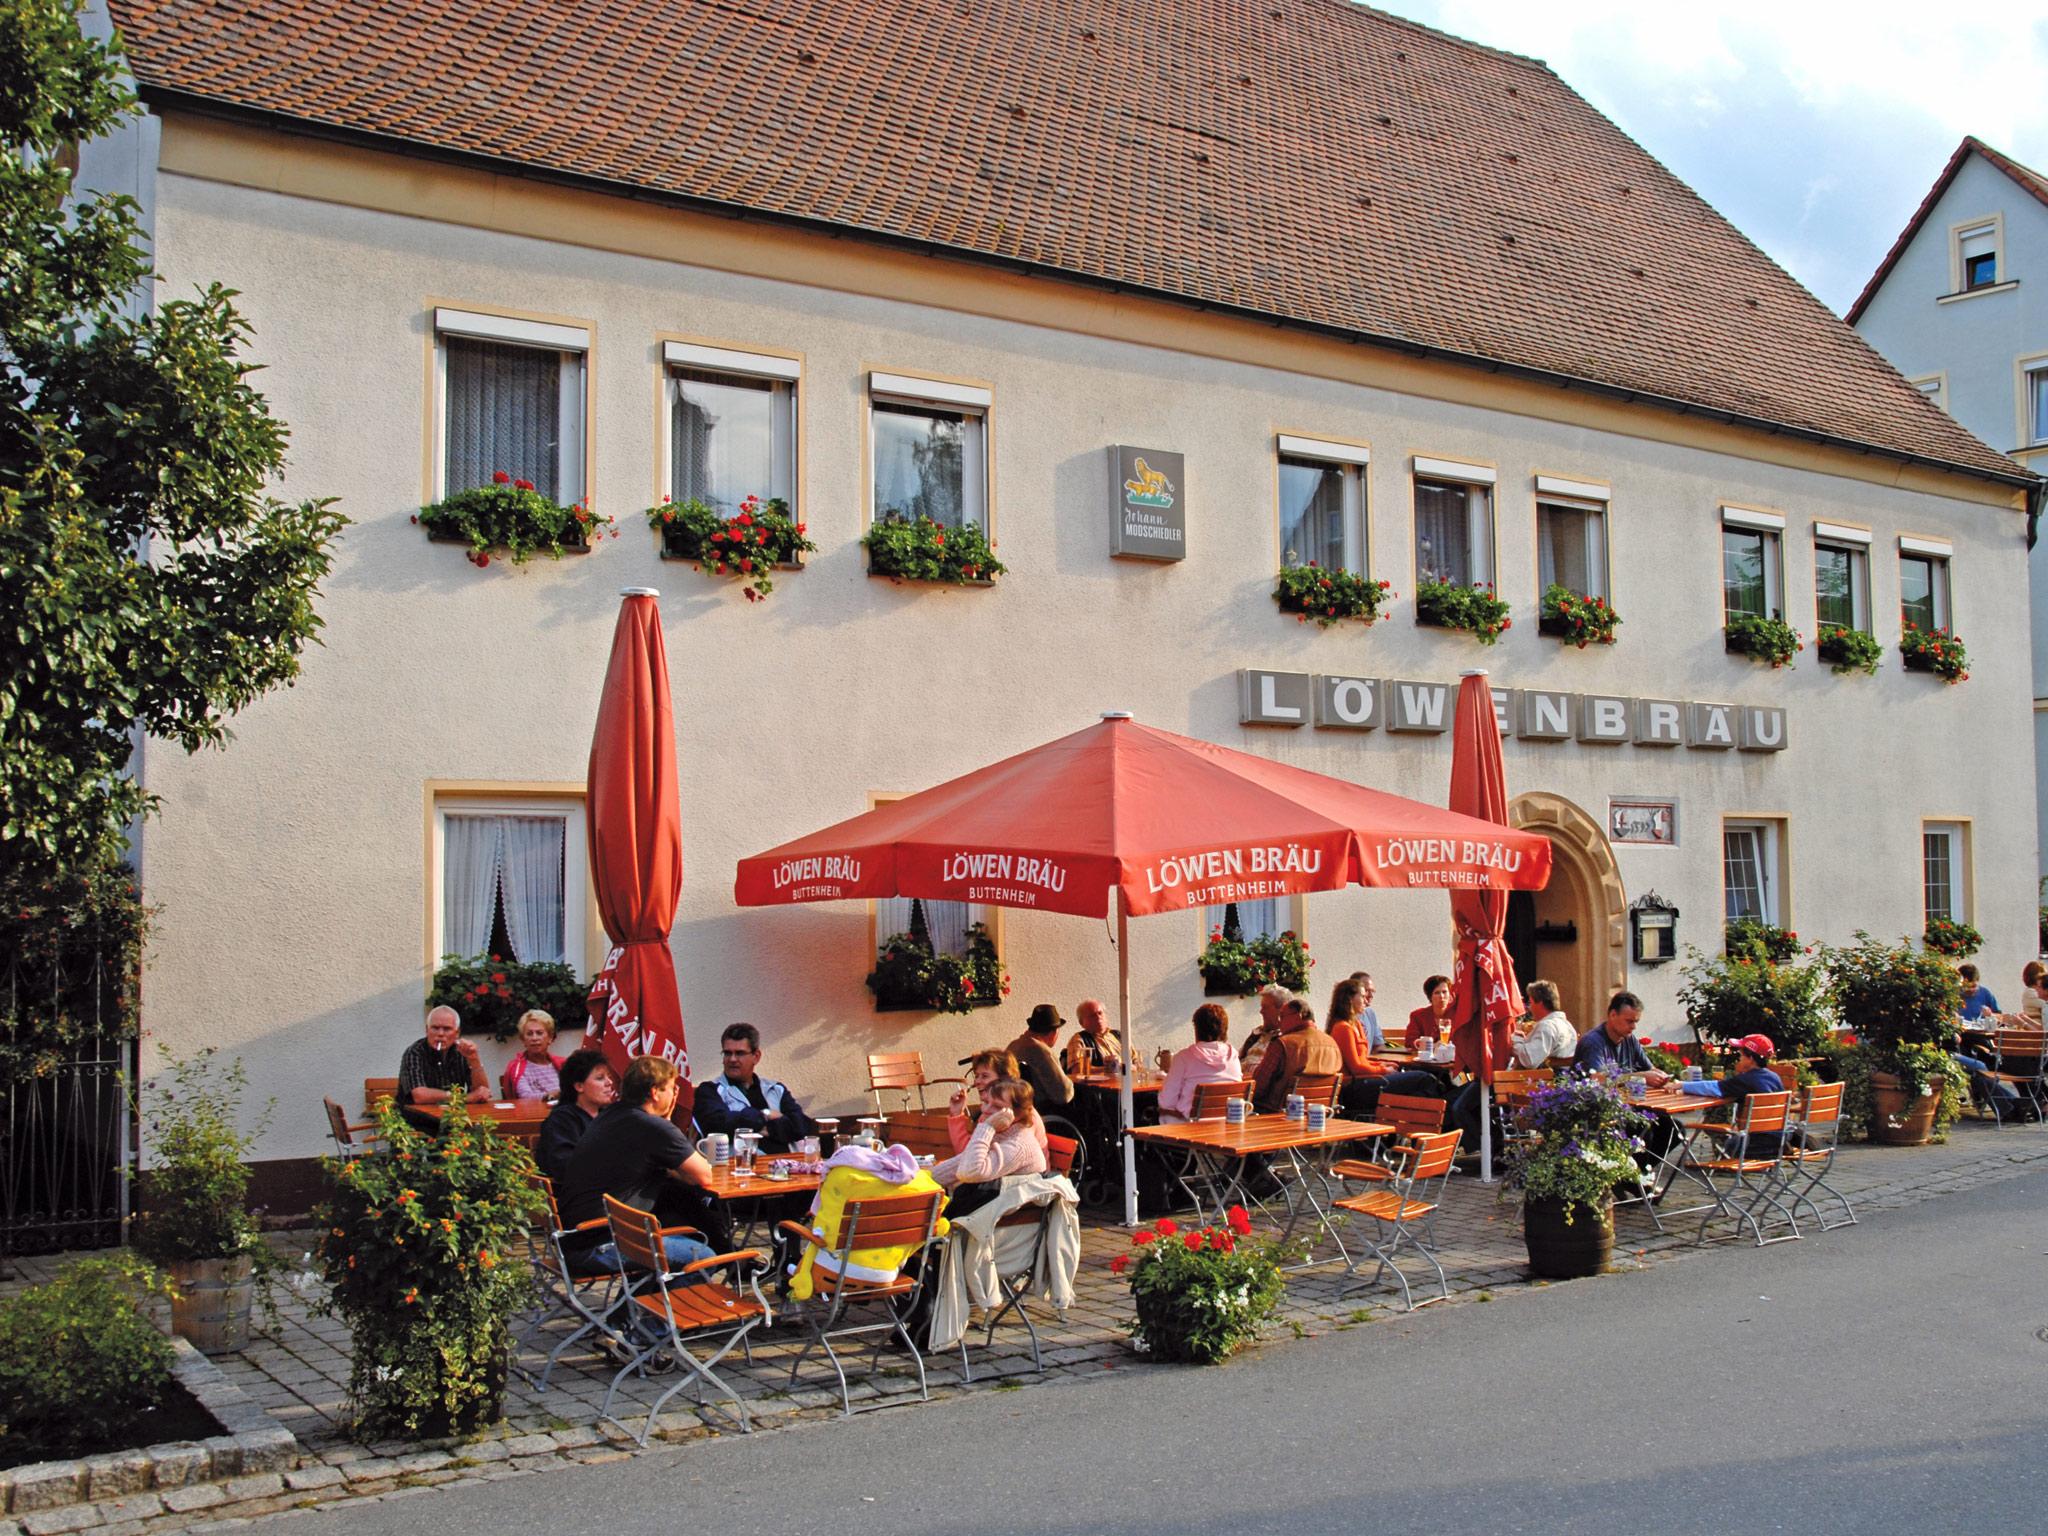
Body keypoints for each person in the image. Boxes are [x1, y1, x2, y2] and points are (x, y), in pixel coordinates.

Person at [556, 1056, 719, 1272]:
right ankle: (727, 1263)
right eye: (672, 1088)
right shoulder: (652, 1126)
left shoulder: (611, 1115)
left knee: (677, 1204)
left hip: (573, 1239)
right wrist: (666, 1122)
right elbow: (704, 1176)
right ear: (655, 1092)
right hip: (600, 1244)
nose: (674, 1095)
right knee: (704, 1258)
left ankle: (637, 1298)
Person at [691, 1022, 817, 1153]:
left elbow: (801, 1127)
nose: (732, 1059)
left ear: (756, 1057)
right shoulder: (709, 1090)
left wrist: (761, 1127)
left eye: (739, 1053)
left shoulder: (776, 1089)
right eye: (727, 1053)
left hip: (787, 1162)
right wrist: (765, 1115)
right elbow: (717, 1125)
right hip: (740, 1164)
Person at [931, 1076, 1048, 1217]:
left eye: (997, 1107)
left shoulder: (1019, 1145)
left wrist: (987, 1127)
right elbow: (961, 1162)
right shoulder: (1001, 1132)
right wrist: (923, 1179)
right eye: (985, 1102)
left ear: (1017, 1115)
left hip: (1014, 1221)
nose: (986, 1109)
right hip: (989, 1212)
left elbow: (968, 1172)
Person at [1330, 977, 1442, 1118]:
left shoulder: (1356, 1025)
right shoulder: (1343, 1028)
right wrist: (1383, 1070)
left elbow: (1363, 1060)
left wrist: (1382, 1064)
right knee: (1424, 1079)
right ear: (1350, 999)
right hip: (1355, 1087)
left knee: (1422, 1085)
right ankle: (1420, 1121)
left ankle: (1406, 1121)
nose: (1366, 1001)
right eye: (1362, 997)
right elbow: (1355, 1067)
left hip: (1366, 1080)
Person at [1673, 1032, 1788, 1160]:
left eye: (1741, 1055)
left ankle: (1724, 1159)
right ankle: (1726, 1158)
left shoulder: (1746, 1080)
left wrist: (1682, 1085)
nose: (1739, 1058)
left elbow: (1714, 1088)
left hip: (1750, 1145)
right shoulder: (1774, 1077)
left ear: (1750, 1058)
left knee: (1713, 1122)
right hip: (1778, 1141)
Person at [395, 1005, 490, 1131]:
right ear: (427, 1030)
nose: (440, 1034)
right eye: (435, 1028)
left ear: (457, 1033)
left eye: (447, 1029)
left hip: (453, 1120)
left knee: (483, 1130)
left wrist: (474, 1060)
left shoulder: (461, 1052)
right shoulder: (415, 1052)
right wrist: (464, 1098)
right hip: (416, 1124)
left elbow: (482, 1091)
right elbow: (419, 1095)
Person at [1250, 992, 1342, 1114]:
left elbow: (1258, 1087)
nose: (1279, 1021)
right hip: (1320, 1112)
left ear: (1299, 1015)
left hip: (1278, 1113)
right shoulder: (1332, 1043)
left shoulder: (1283, 1044)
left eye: (1282, 1016)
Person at [535, 1048, 617, 1180]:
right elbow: (565, 1167)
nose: (609, 1083)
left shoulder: (609, 1115)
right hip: (580, 1189)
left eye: (609, 1077)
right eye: (600, 1078)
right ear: (579, 1086)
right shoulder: (561, 1121)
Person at [947, 1048, 1050, 1153]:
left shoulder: (1021, 1114)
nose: (977, 1081)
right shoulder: (990, 1112)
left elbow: (972, 1157)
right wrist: (957, 1113)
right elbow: (969, 1154)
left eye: (985, 1076)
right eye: (977, 1076)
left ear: (1005, 1079)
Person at [1158, 1004, 1243, 1122]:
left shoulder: (1183, 1057)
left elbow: (1167, 1102)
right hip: (1227, 1123)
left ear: (1196, 1028)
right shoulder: (1233, 1055)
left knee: (1163, 1113)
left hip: (1192, 1125)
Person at [1570, 991, 1672, 1084]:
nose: (1634, 1027)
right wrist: (1641, 1077)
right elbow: (1598, 1079)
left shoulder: (1630, 1039)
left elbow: (1650, 1069)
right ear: (1613, 1015)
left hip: (1622, 1096)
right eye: (1629, 1021)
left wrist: (1661, 1076)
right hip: (1591, 1098)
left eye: (1635, 1022)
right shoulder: (1593, 1042)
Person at [1009, 1004, 1074, 1112]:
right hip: (1041, 1111)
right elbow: (1063, 1095)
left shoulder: (1013, 1045)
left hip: (1015, 1108)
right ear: (1054, 1032)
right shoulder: (1042, 1051)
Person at [500, 1009, 564, 1101]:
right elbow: (526, 1097)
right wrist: (553, 1095)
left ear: (550, 1037)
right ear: (523, 1040)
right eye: (529, 1034)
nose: (534, 1038)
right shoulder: (517, 1068)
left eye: (539, 1033)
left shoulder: (563, 1064)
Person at [1513, 980, 1579, 1067]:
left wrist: (1515, 1038)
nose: (1529, 1008)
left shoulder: (1547, 1026)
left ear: (1540, 1003)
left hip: (1548, 1075)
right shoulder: (1567, 1025)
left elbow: (1529, 1059)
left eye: (1531, 1003)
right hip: (1562, 1074)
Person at [1063, 997, 1125, 1076]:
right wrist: (1111, 1068)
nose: (1098, 1017)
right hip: (1101, 1084)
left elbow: (1136, 1062)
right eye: (1092, 1015)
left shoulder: (1119, 1035)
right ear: (1081, 1022)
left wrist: (1129, 1067)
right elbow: (1077, 1070)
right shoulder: (1079, 1039)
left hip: (1129, 1082)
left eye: (1100, 1013)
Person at [1239, 984, 1289, 1077]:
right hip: (1238, 1081)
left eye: (1265, 1007)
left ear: (1281, 1010)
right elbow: (1237, 1058)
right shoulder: (1256, 1034)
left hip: (1255, 1083)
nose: (1261, 1011)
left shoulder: (1284, 1041)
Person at [1404, 975, 1456, 1048]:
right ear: (1430, 996)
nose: (1441, 996)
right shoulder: (1418, 1016)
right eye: (1437, 993)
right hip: (1427, 1055)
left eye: (1444, 992)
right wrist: (1431, 1046)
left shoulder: (1458, 1014)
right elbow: (1410, 1041)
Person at [1345, 971, 1388, 1051]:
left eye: (1372, 991)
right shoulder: (1342, 1018)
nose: (1371, 996)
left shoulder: (1370, 1014)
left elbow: (1379, 1045)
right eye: (1367, 991)